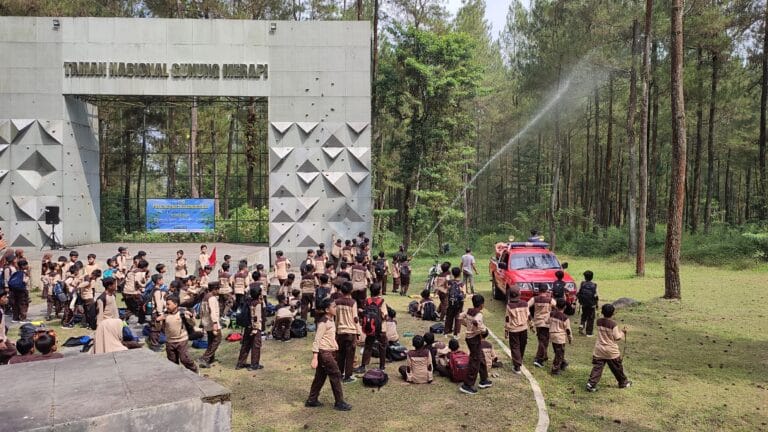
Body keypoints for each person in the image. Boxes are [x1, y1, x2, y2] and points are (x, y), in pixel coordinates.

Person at [305, 297, 352, 411]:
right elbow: (317, 340)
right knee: (335, 374)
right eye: (334, 307)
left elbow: (329, 336)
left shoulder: (331, 320)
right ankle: (339, 402)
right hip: (324, 353)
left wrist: (334, 344)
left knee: (320, 377)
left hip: (328, 351)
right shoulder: (323, 322)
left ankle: (312, 400)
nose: (336, 308)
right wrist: (315, 357)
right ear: (327, 310)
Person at [586, 304, 631, 392]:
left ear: (602, 312)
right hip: (611, 351)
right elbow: (617, 337)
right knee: (617, 368)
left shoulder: (598, 321)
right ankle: (623, 383)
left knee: (597, 368)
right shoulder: (613, 324)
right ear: (613, 313)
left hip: (599, 350)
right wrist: (622, 332)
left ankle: (591, 384)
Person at [458, 294, 492, 395]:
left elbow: (460, 316)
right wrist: (483, 330)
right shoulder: (479, 314)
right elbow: (477, 321)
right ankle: (467, 385)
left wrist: (466, 324)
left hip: (470, 337)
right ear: (482, 305)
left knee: (480, 356)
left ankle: (484, 379)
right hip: (474, 338)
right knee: (475, 361)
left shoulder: (469, 310)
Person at [157, 296, 198, 373]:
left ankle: (194, 370)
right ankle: (176, 375)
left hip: (181, 340)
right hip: (170, 341)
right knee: (172, 361)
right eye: (166, 304)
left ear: (175, 304)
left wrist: (191, 317)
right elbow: (159, 328)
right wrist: (157, 321)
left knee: (184, 359)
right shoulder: (165, 315)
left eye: (168, 304)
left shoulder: (182, 313)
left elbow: (193, 323)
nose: (167, 306)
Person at [354, 283, 388, 373]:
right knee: (382, 346)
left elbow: (364, 312)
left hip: (370, 327)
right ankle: (382, 366)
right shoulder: (382, 301)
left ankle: (363, 365)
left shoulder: (367, 301)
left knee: (368, 346)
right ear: (379, 291)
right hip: (381, 328)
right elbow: (385, 316)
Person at [334, 282, 359, 383]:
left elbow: (336, 317)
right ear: (351, 290)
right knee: (350, 355)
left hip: (340, 330)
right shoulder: (353, 302)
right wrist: (358, 333)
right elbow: (355, 318)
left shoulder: (336, 302)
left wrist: (335, 331)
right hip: (350, 331)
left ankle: (340, 373)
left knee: (340, 354)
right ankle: (348, 376)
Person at [236, 286, 264, 371]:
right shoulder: (257, 303)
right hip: (255, 327)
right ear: (259, 294)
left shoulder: (248, 301)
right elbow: (256, 316)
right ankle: (254, 364)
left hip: (247, 326)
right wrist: (255, 328)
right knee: (256, 345)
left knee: (246, 345)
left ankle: (241, 363)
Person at [529, 285, 556, 368]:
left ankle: (544, 356)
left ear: (539, 290)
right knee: (543, 341)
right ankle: (539, 359)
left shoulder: (534, 299)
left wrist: (530, 319)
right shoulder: (550, 300)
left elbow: (527, 306)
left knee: (542, 339)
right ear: (546, 290)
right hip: (546, 323)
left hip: (537, 322)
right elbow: (556, 306)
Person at [505, 287, 531, 374]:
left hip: (514, 330)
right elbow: (529, 316)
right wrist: (531, 325)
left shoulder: (509, 306)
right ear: (519, 294)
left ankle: (517, 366)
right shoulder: (525, 303)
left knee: (515, 346)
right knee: (522, 345)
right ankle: (519, 361)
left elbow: (507, 319)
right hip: (523, 328)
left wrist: (506, 331)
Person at [198, 282, 221, 368]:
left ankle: (211, 358)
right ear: (214, 289)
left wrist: (201, 322)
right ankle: (205, 358)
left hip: (206, 322)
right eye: (218, 289)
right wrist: (215, 323)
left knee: (211, 340)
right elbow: (212, 311)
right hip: (212, 322)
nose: (219, 291)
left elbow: (201, 311)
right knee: (217, 340)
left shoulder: (205, 297)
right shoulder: (211, 298)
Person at [549, 299, 572, 375]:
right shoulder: (565, 318)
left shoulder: (551, 314)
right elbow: (568, 330)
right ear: (565, 307)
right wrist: (570, 338)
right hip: (560, 338)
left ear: (556, 306)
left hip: (552, 336)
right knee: (559, 353)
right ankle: (555, 369)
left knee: (558, 351)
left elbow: (547, 321)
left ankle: (563, 363)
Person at [444, 267, 466, 337]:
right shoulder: (462, 283)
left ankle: (446, 332)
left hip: (451, 302)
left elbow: (447, 290)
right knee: (458, 317)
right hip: (459, 303)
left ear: (452, 274)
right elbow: (464, 293)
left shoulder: (450, 282)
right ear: (460, 274)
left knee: (449, 316)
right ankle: (456, 334)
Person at [577, 270, 599, 337]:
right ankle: (589, 333)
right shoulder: (594, 285)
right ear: (592, 277)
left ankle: (581, 325)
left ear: (585, 277)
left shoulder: (582, 283)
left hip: (583, 303)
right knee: (591, 318)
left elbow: (578, 293)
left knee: (584, 315)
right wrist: (597, 304)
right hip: (591, 304)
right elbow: (596, 296)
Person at [0, 291, 17, 364]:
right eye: (4, 297)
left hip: (3, 337)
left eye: (7, 297)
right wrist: (0, 341)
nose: (7, 299)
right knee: (11, 352)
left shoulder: (1, 308)